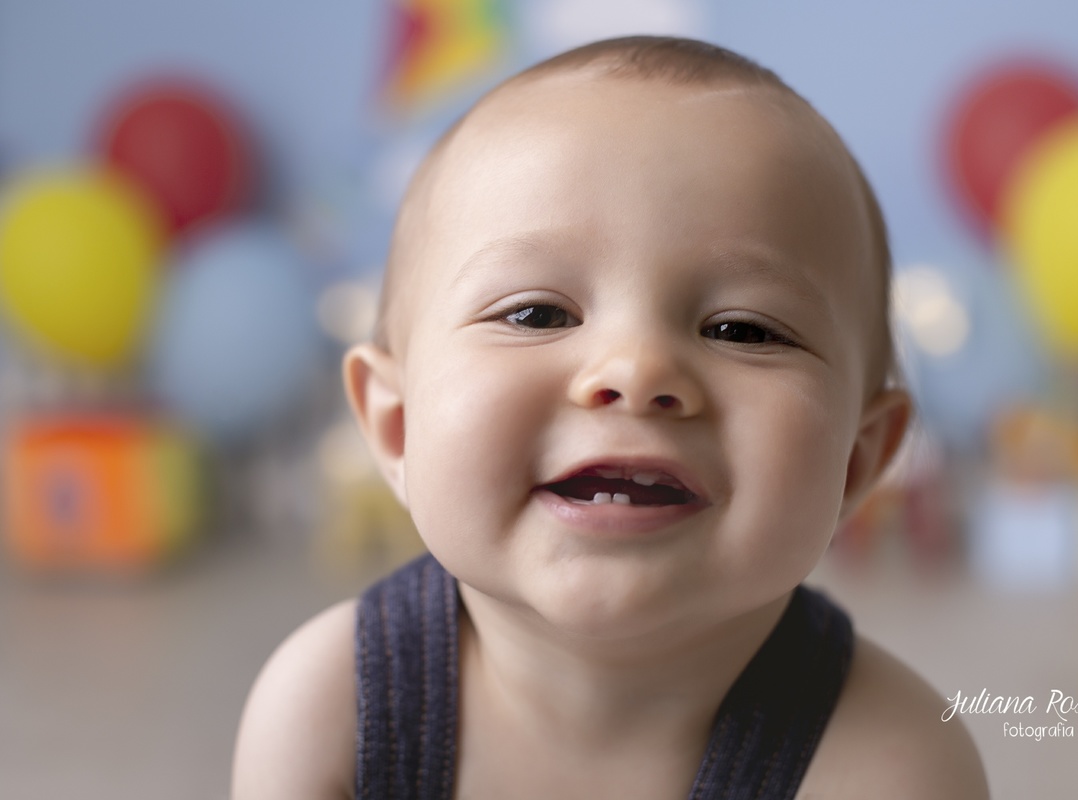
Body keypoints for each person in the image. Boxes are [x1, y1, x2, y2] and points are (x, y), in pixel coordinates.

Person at [232, 36, 989, 799]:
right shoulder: (330, 715)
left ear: (858, 460)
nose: (635, 371)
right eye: (536, 314)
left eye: (742, 330)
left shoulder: (890, 767)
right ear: (397, 427)